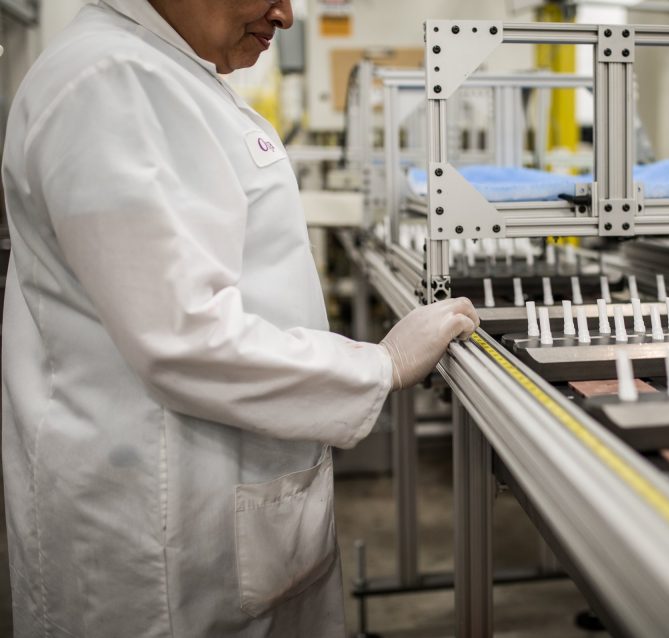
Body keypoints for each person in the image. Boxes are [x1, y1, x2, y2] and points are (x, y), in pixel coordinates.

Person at [1, 0, 479, 635]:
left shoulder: (169, 75)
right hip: (157, 526)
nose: (285, 14)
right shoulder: (109, 82)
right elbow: (184, 339)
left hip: (218, 491)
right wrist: (379, 364)